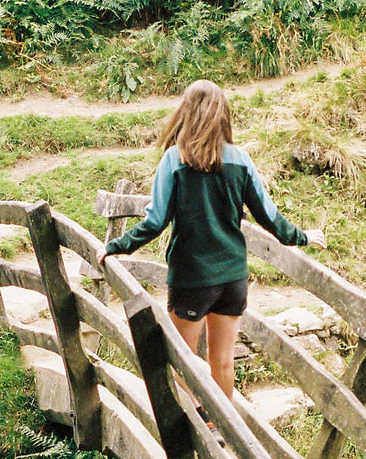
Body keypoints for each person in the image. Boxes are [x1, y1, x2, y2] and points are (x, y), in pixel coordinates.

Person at [96, 78, 327, 401]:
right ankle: (219, 431)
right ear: (223, 114)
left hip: (192, 278)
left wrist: (114, 247)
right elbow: (269, 216)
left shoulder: (174, 160)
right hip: (233, 277)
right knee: (223, 362)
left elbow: (155, 221)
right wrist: (301, 236)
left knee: (183, 362)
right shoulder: (240, 159)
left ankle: (195, 434)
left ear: (185, 113)